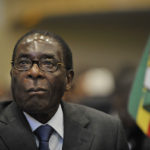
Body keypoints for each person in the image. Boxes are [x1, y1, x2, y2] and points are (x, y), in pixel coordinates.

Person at [0, 30, 129, 150]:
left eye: (48, 64)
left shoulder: (108, 131)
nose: (34, 72)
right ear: (12, 75)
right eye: (23, 63)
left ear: (68, 79)